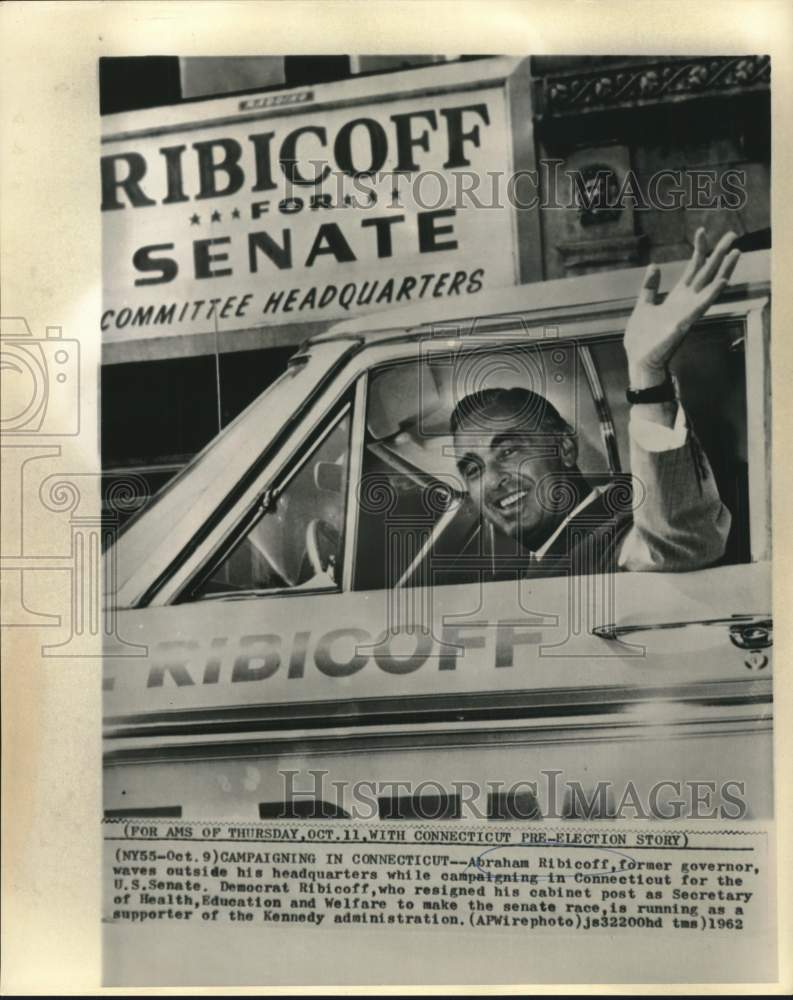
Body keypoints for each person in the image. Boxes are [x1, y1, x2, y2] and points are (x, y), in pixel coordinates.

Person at [451, 228, 741, 575]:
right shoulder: (543, 560)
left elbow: (680, 543)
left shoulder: (617, 533)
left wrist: (647, 376)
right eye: (472, 469)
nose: (492, 478)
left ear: (566, 448)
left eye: (509, 451)